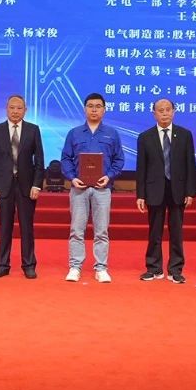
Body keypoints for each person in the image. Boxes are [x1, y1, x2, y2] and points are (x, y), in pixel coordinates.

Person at [60, 92, 125, 283]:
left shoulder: (112, 133)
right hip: (79, 188)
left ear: (104, 110)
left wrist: (109, 176)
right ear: (84, 109)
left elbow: (119, 160)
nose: (94, 109)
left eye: (98, 106)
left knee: (101, 231)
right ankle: (75, 267)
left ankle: (101, 268)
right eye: (90, 106)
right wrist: (72, 178)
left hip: (102, 188)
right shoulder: (74, 133)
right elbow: (66, 158)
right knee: (76, 230)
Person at [134, 98, 196, 284]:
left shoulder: (185, 135)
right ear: (154, 113)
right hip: (155, 189)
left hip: (178, 189)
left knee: (176, 232)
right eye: (160, 110)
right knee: (155, 231)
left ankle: (175, 269)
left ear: (174, 112)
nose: (164, 113)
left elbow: (190, 165)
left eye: (168, 109)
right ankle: (153, 268)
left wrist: (190, 192)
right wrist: (140, 194)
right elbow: (141, 168)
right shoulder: (145, 137)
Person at [0, 94, 45, 279]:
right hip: (4, 186)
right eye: (12, 107)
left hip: (27, 186)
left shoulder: (33, 130)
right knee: (4, 227)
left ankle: (29, 265)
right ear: (6, 109)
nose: (15, 111)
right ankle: (3, 265)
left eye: (19, 108)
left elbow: (39, 161)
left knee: (27, 227)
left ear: (25, 110)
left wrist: (37, 185)